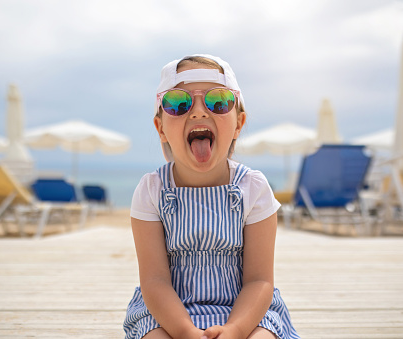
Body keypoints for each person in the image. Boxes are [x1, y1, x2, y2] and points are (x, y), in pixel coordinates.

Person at [123, 54, 299, 339]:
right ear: (161, 129)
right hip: (168, 312)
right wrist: (184, 331)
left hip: (246, 311)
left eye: (217, 101)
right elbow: (154, 281)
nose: (198, 112)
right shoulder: (152, 190)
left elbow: (259, 280)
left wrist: (236, 330)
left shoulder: (253, 188)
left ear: (238, 124)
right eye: (179, 103)